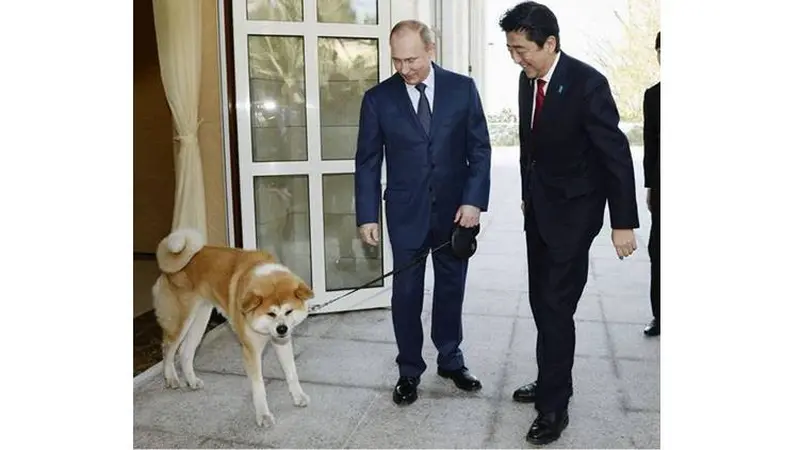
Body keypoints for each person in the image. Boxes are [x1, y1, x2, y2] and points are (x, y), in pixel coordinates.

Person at [499, 1, 640, 445]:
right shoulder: (528, 82)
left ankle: (554, 407)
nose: (516, 58)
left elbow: (614, 154)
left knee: (557, 307)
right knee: (542, 303)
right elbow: (530, 148)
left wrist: (623, 222)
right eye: (510, 49)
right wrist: (526, 196)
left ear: (550, 43)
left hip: (575, 216)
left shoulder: (586, 84)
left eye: (522, 49)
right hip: (539, 211)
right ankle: (551, 379)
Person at [354, 19, 492, 406]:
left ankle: (451, 359)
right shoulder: (378, 99)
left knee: (451, 288)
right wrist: (367, 215)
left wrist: (473, 200)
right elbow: (367, 161)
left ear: (431, 50)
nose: (404, 68)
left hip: (454, 214)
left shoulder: (462, 89)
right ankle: (409, 369)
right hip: (405, 213)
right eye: (397, 60)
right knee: (407, 294)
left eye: (411, 59)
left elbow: (479, 150)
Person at [643, 31, 661, 337]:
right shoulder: (654, 95)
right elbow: (650, 145)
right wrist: (650, 186)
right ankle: (660, 315)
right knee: (658, 251)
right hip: (663, 188)